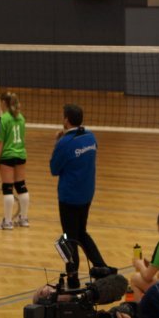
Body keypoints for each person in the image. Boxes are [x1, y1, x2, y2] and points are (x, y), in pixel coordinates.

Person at [50, 104, 114, 278]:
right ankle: (102, 267)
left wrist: (58, 143)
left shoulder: (64, 143)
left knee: (69, 237)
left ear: (66, 120)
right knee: (80, 232)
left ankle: (73, 276)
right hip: (86, 194)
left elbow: (54, 169)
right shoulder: (90, 137)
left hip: (69, 197)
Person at [0, 92, 30, 229]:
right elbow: (23, 138)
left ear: (4, 103)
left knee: (7, 188)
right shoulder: (21, 117)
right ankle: (24, 219)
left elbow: (0, 142)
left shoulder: (3, 119)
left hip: (8, 156)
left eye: (0, 102)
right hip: (21, 154)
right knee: (21, 186)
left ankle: (8, 222)